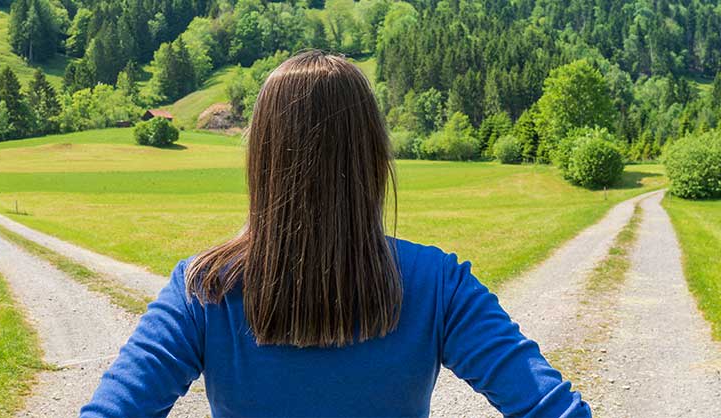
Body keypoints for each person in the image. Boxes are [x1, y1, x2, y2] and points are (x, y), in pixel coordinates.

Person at [81, 50, 591, 418]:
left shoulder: (204, 288)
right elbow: (551, 408)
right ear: (371, 155)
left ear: (261, 160)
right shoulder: (439, 284)